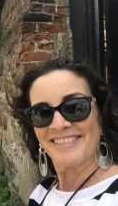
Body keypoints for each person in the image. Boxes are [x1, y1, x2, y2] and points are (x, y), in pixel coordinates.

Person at [12, 58, 118, 205]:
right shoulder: (41, 194)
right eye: (42, 113)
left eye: (75, 107)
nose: (58, 124)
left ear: (100, 114)